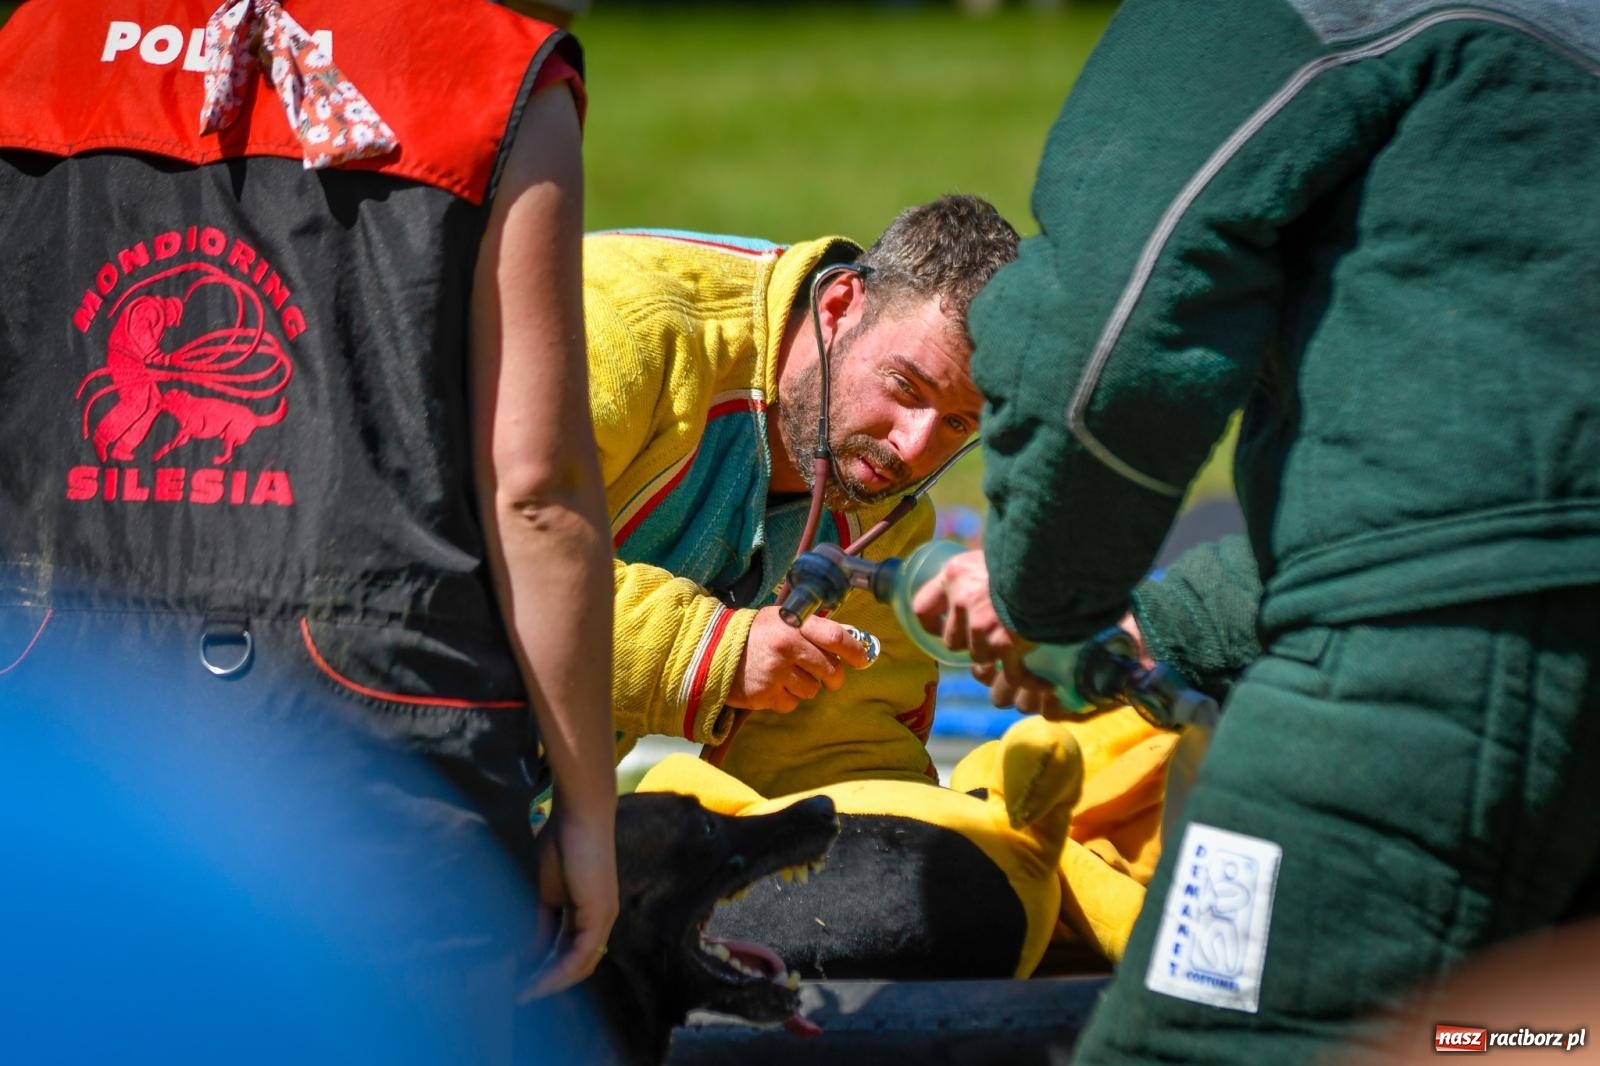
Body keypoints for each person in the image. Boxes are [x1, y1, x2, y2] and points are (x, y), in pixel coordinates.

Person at [917, 1, 1600, 1062]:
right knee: (1517, 1041)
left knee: (1202, 1036)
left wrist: (1038, 589)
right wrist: (1163, 618)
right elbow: (1504, 480)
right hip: (1496, 643)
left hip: (1439, 687)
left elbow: (1109, 353)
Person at [0, 0, 617, 1022]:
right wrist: (591, 815)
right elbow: (537, 486)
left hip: (64, 723)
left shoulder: (35, 47)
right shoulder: (492, 70)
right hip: (374, 750)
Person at [586, 195, 1018, 796]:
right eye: (905, 387)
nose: (911, 448)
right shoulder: (622, 328)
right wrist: (710, 653)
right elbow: (471, 559)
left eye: (957, 425)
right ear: (840, 305)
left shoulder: (879, 512)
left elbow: (840, 758)